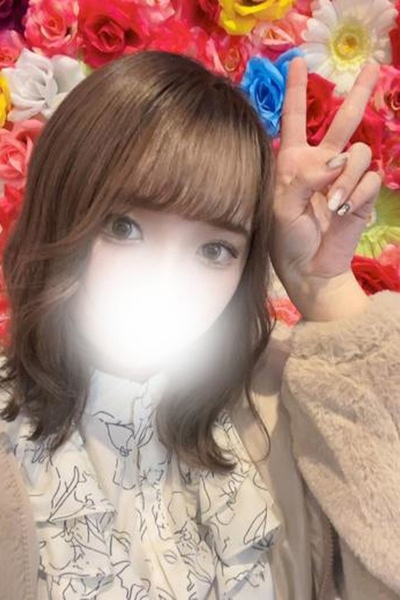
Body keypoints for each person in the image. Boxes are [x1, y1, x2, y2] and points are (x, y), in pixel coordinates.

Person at [0, 49, 399, 600]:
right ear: (60, 209)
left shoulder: (281, 402)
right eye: (124, 227)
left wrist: (325, 290)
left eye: (214, 249)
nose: (165, 281)